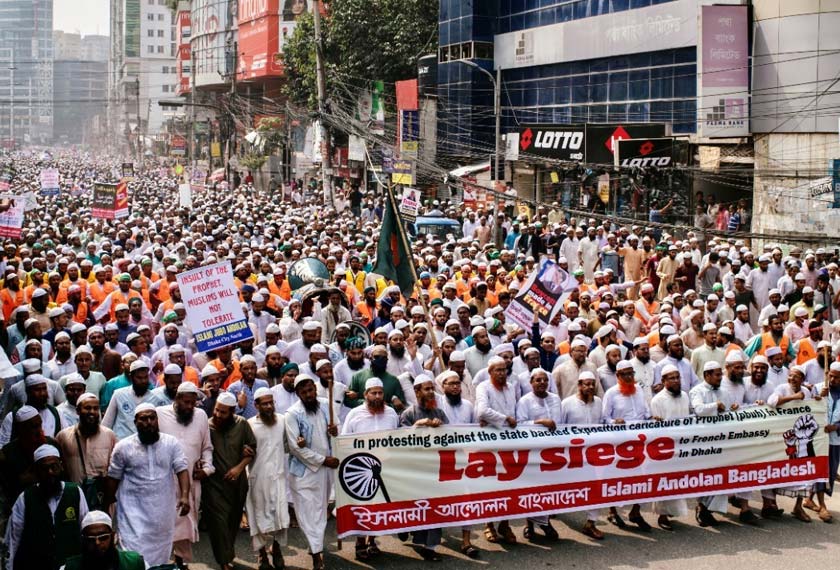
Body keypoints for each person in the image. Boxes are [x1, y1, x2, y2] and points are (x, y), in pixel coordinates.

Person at [104, 403, 190, 567]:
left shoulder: (171, 443)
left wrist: (185, 496)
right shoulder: (123, 447)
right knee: (133, 556)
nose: (149, 422)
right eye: (143, 419)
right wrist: (106, 509)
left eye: (152, 418)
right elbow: (113, 478)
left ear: (157, 420)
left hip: (162, 514)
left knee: (161, 557)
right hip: (132, 513)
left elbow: (182, 468)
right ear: (135, 422)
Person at [156, 382, 214, 568]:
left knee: (186, 521)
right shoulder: (159, 414)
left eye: (193, 403)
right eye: (187, 402)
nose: (190, 407)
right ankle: (165, 561)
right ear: (177, 398)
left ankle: (180, 560)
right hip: (165, 479)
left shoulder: (201, 416)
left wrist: (207, 469)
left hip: (192, 479)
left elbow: (207, 448)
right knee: (165, 522)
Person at [285, 374, 339, 570]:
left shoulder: (325, 404)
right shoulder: (292, 414)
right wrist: (323, 460)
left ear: (315, 390)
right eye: (304, 392)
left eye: (310, 390)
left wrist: (335, 431)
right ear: (298, 394)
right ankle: (317, 553)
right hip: (304, 472)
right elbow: (295, 448)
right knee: (308, 513)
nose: (308, 395)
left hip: (326, 471)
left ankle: (314, 545)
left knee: (320, 511)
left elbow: (337, 429)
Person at [6, 444, 88, 570]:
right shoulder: (25, 498)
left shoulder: (75, 492)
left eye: (53, 467)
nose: (50, 473)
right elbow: (13, 540)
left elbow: (85, 530)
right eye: (44, 469)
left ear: (61, 466)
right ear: (36, 472)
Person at [204, 391, 256, 570]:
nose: (218, 415)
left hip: (237, 484)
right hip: (214, 484)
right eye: (216, 410)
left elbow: (252, 449)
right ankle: (224, 561)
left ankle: (227, 554)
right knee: (219, 523)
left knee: (233, 521)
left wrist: (239, 467)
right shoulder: (207, 426)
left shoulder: (242, 424)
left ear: (232, 412)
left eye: (223, 412)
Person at [399, 375, 448, 560]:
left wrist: (442, 428)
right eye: (426, 389)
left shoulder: (440, 413)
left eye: (431, 389)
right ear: (417, 391)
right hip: (413, 471)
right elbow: (399, 443)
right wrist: (416, 426)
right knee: (416, 507)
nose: (430, 393)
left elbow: (454, 436)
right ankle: (408, 529)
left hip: (435, 469)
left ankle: (431, 547)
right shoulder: (408, 414)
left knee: (435, 507)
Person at [246, 387, 290, 570]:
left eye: (271, 403)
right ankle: (262, 555)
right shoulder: (248, 425)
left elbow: (288, 445)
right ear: (256, 405)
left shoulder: (281, 421)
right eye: (264, 404)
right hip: (257, 479)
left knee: (281, 518)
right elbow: (245, 449)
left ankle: (277, 549)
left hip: (279, 477)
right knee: (258, 519)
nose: (269, 407)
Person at [515, 368, 561, 541]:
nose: (542, 383)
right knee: (532, 489)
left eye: (544, 380)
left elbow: (561, 423)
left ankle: (545, 521)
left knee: (549, 488)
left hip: (553, 451)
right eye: (538, 380)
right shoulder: (525, 401)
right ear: (531, 382)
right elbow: (519, 424)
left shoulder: (555, 399)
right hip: (533, 451)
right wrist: (540, 422)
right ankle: (530, 525)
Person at [54, 393, 116, 510]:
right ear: (78, 411)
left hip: (101, 498)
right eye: (87, 408)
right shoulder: (63, 437)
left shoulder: (109, 435)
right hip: (73, 498)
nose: (92, 412)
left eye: (95, 408)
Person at [649, 364, 690, 529]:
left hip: (682, 445)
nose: (675, 381)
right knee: (665, 480)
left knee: (678, 480)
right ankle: (662, 516)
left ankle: (673, 511)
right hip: (665, 447)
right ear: (663, 381)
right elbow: (655, 427)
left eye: (677, 377)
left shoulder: (685, 396)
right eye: (671, 378)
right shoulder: (657, 400)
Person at [60, 510, 146, 570]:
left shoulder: (134, 563)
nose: (97, 543)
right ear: (83, 540)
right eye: (90, 539)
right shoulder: (70, 567)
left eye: (103, 537)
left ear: (112, 536)